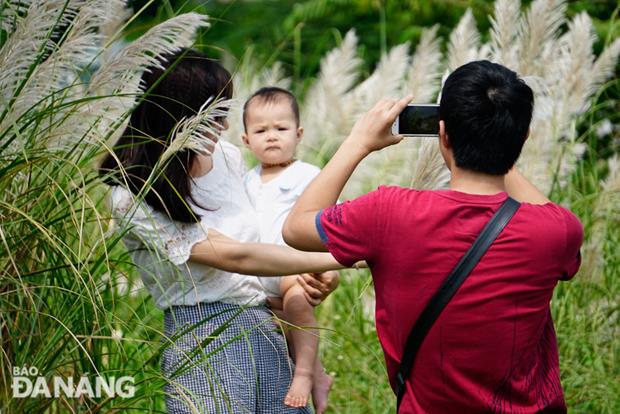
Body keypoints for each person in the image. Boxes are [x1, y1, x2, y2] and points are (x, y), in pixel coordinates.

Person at [283, 60, 584, 413]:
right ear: (523, 137)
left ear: (443, 136)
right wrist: (498, 141)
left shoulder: (388, 212)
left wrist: (358, 142)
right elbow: (541, 208)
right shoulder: (558, 230)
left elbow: (296, 228)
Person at [99, 49, 344, 414]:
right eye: (214, 116)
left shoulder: (227, 156)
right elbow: (235, 255)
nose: (225, 128)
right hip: (205, 345)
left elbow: (260, 243)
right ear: (179, 116)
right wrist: (345, 257)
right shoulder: (131, 195)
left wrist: (310, 277)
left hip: (268, 331)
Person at [242, 87, 334, 412]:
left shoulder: (308, 176)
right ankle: (321, 376)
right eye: (261, 130)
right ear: (246, 140)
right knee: (281, 325)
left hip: (293, 266)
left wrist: (326, 265)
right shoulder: (245, 181)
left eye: (280, 129)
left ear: (298, 134)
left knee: (295, 305)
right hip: (256, 273)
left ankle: (305, 374)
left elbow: (325, 222)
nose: (271, 137)